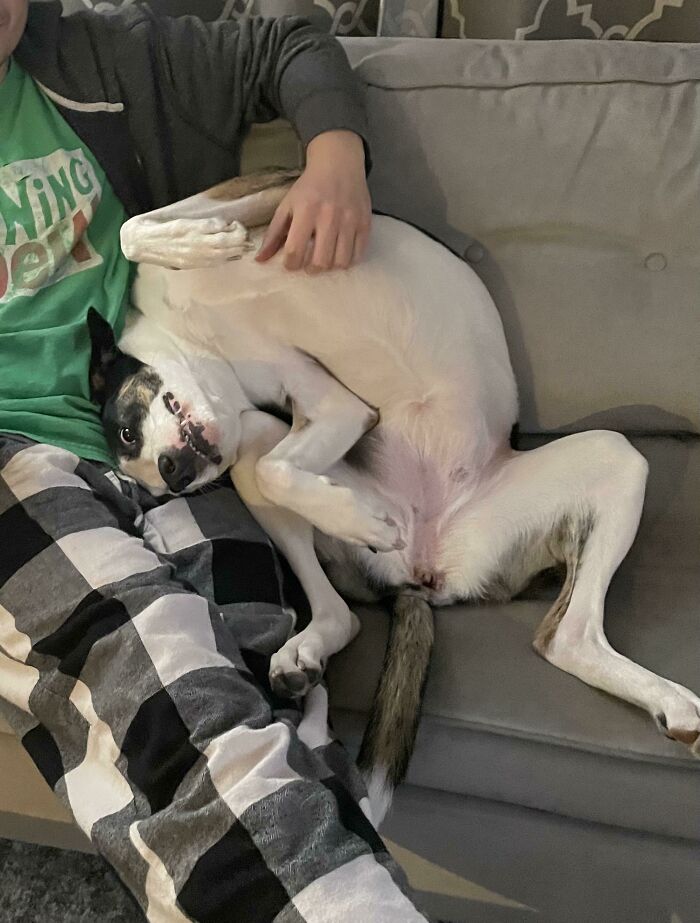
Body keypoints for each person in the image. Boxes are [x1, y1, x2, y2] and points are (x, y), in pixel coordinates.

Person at [0, 0, 427, 918]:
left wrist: (336, 158)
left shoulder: (92, 57)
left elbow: (289, 38)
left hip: (167, 425)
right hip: (13, 462)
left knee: (265, 652)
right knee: (153, 658)